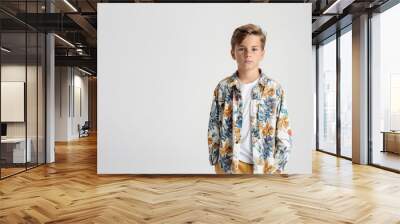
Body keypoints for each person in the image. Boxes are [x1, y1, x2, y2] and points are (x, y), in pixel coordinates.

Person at [207, 24, 292, 174]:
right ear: (233, 53)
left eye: (254, 49)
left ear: (262, 53)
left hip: (265, 166)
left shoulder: (274, 89)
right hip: (230, 165)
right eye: (242, 49)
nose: (248, 54)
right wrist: (216, 162)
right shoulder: (223, 88)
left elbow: (283, 129)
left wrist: (279, 166)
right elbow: (214, 126)